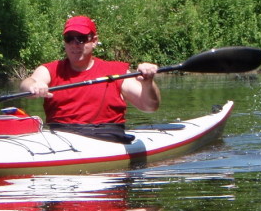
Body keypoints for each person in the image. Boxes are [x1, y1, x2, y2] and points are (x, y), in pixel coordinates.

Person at [20, 15, 161, 143]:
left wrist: (148, 82)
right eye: (69, 39)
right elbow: (27, 83)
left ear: (94, 41)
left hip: (106, 138)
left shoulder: (116, 71)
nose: (75, 44)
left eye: (81, 39)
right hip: (60, 139)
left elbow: (149, 107)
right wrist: (34, 85)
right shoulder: (50, 70)